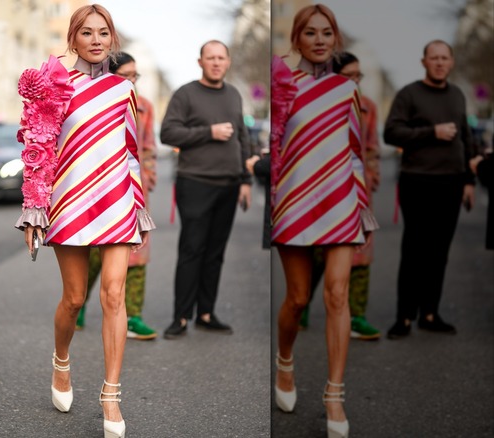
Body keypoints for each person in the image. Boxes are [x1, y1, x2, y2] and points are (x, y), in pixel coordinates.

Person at [14, 5, 155, 437]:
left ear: (111, 39)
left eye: (104, 33)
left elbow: (130, 151)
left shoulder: (123, 89)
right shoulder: (53, 87)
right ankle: (61, 363)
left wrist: (138, 206)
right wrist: (34, 210)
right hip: (70, 201)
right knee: (74, 299)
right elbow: (38, 152)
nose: (96, 40)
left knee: (114, 295)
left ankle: (111, 395)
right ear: (73, 38)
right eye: (87, 33)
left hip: (115, 200)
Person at [270, 5, 377, 438]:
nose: (319, 39)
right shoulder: (282, 85)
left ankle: (334, 395)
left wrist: (361, 202)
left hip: (338, 201)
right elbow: (275, 147)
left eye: (326, 33)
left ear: (335, 40)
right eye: (310, 32)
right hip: (293, 201)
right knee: (297, 299)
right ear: (297, 39)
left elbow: (353, 148)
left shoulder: (345, 89)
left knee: (337, 295)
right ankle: (285, 361)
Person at [159, 40, 254, 339]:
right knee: (192, 250)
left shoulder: (234, 94)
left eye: (221, 58)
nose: (216, 63)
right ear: (200, 62)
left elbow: (243, 138)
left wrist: (246, 181)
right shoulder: (186, 94)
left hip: (228, 185)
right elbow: (168, 133)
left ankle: (206, 313)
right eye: (210, 58)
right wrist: (208, 132)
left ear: (228, 62)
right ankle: (181, 317)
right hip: (195, 183)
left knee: (215, 253)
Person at [384, 40, 477, 339]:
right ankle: (404, 317)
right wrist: (431, 132)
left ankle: (430, 313)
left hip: (450, 182)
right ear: (423, 61)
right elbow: (391, 132)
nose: (439, 63)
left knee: (439, 252)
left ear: (451, 62)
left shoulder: (457, 95)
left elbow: (467, 139)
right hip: (417, 180)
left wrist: (468, 182)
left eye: (444, 58)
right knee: (414, 250)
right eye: (433, 58)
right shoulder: (409, 94)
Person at [297, 52, 383, 340]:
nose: (356, 81)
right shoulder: (321, 103)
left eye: (359, 76)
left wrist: (371, 176)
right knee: (321, 251)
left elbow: (371, 148)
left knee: (361, 251)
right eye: (350, 76)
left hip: (357, 190)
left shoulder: (368, 107)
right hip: (325, 189)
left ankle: (357, 315)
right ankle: (303, 304)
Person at [75, 52, 159, 341]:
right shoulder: (98, 99)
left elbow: (147, 147)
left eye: (136, 76)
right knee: (97, 253)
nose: (132, 81)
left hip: (133, 189)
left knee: (138, 252)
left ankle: (133, 315)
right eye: (127, 75)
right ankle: (80, 304)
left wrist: (147, 175)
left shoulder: (144, 106)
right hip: (100, 189)